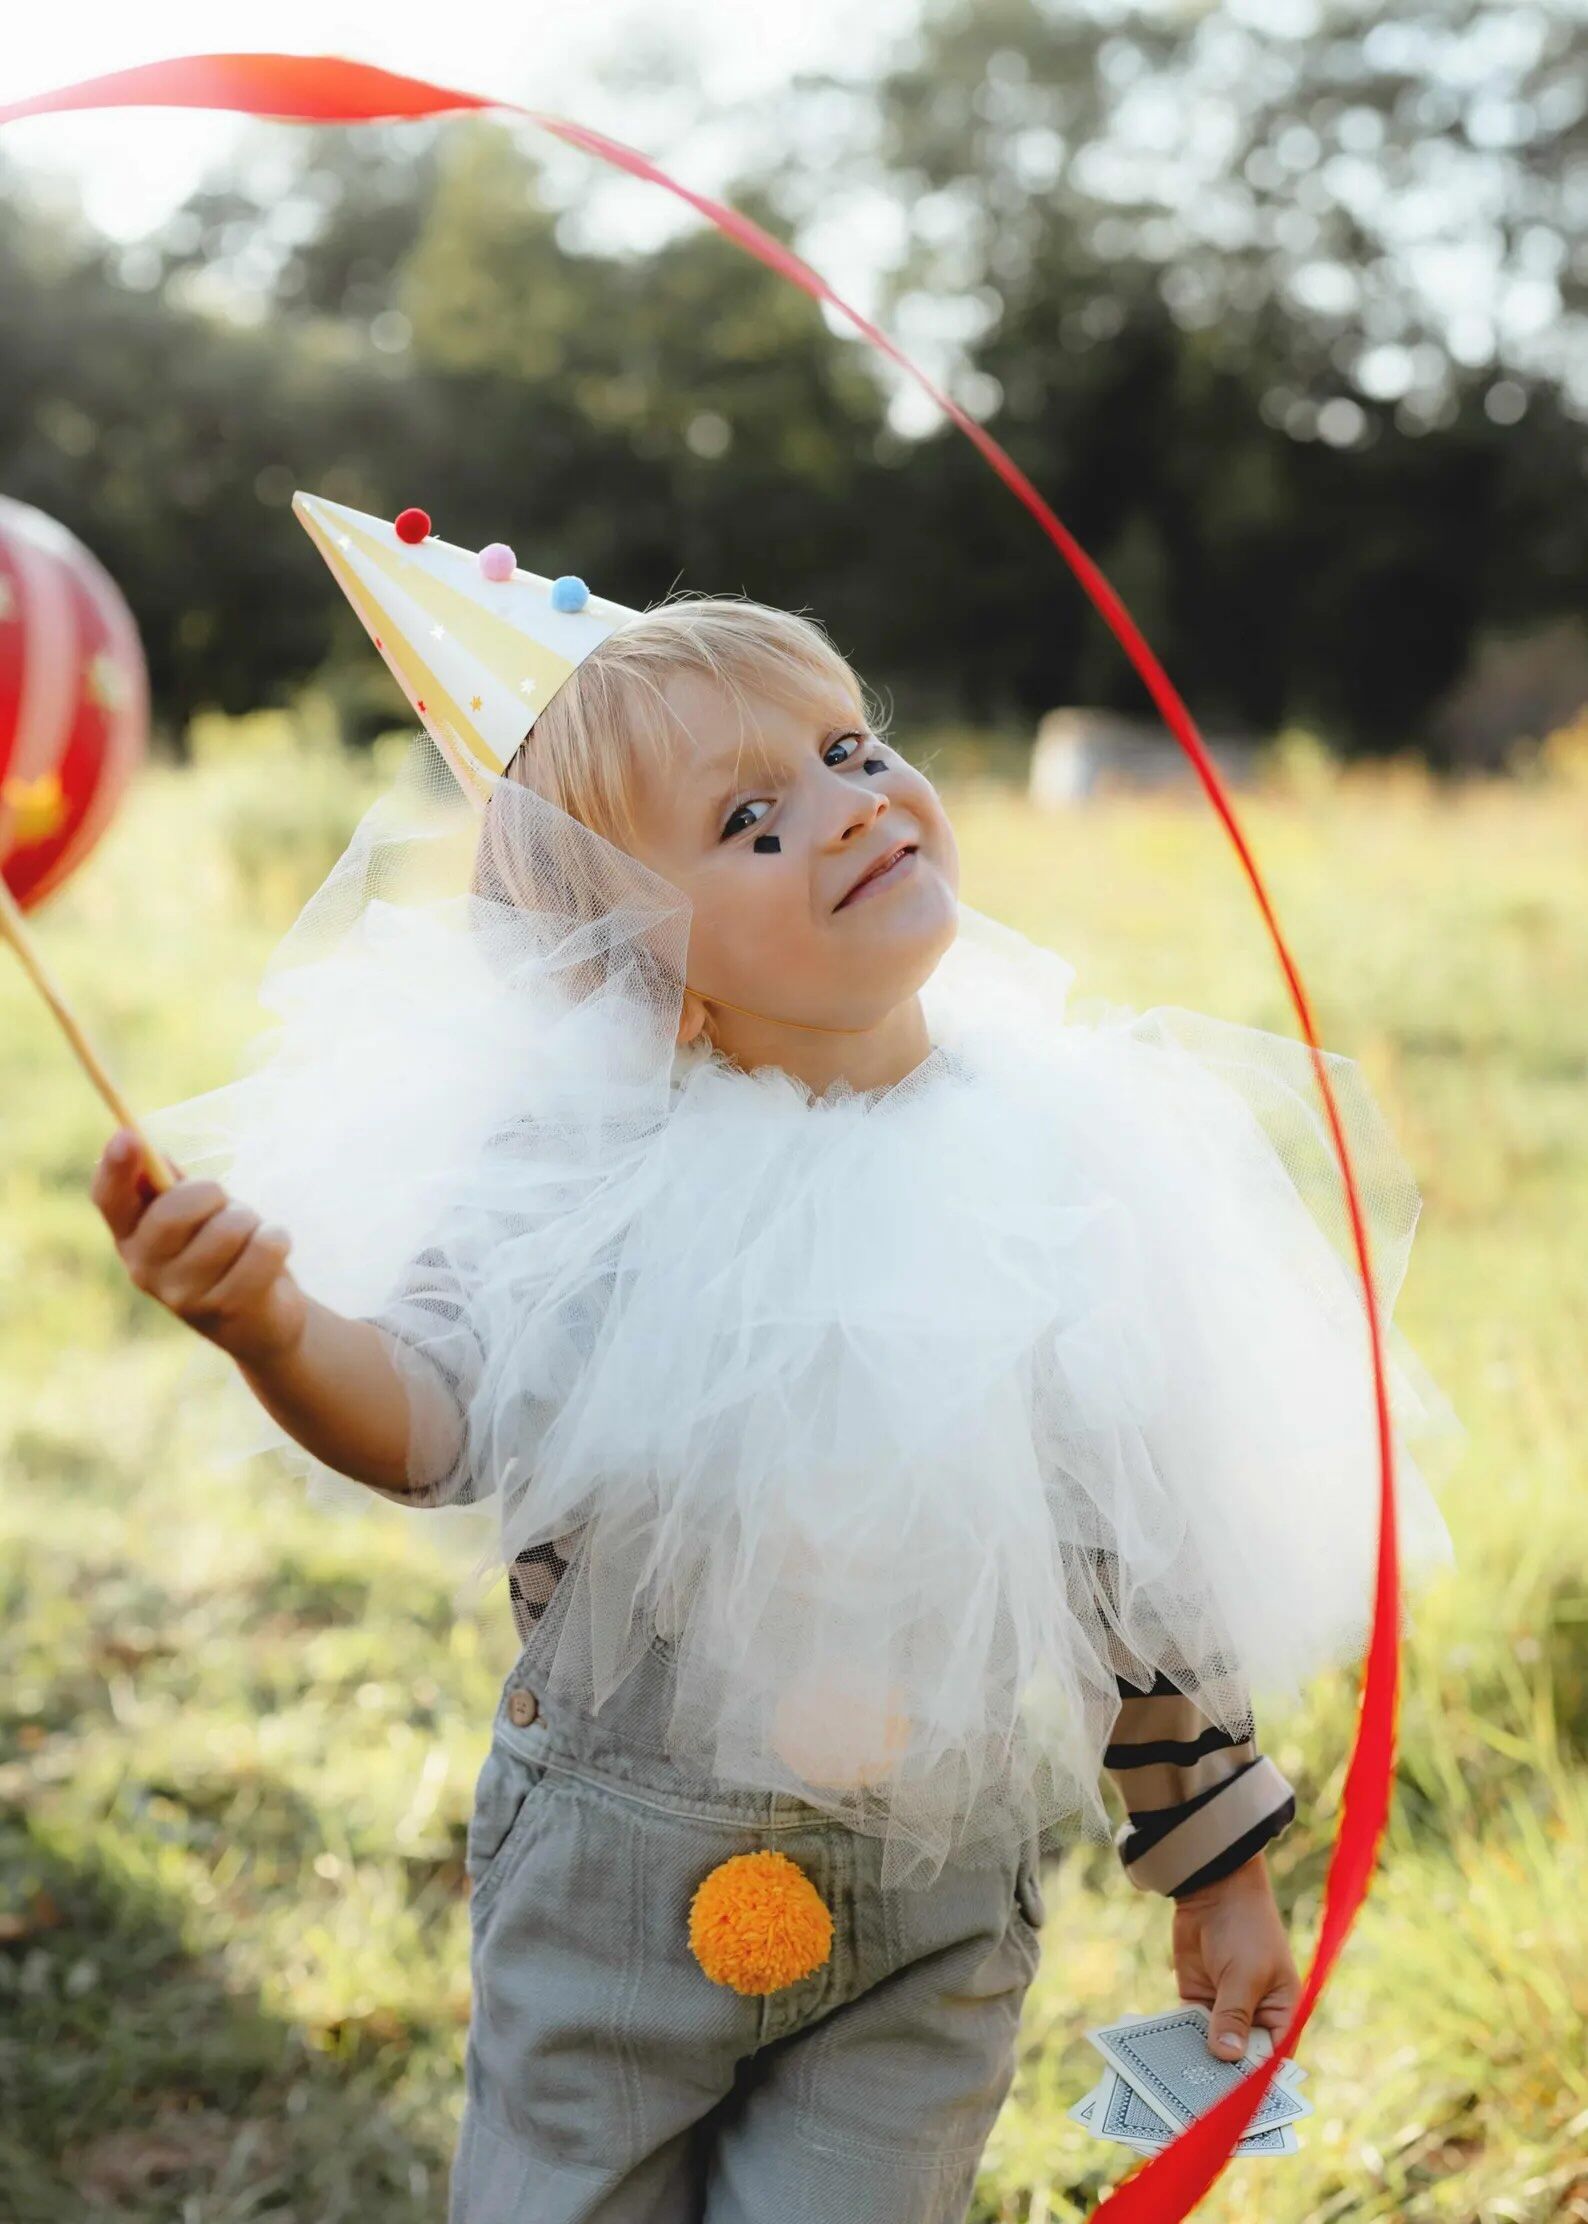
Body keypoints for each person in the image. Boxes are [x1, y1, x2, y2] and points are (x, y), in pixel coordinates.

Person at [92, 495, 1464, 2222]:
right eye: (750, 820)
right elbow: (434, 1417)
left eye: (849, 745)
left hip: (935, 1903)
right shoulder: (593, 1184)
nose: (853, 805)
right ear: (633, 970)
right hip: (618, 1878)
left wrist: (1215, 1872)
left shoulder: (1060, 1159)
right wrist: (277, 1330)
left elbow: (1132, 1553)